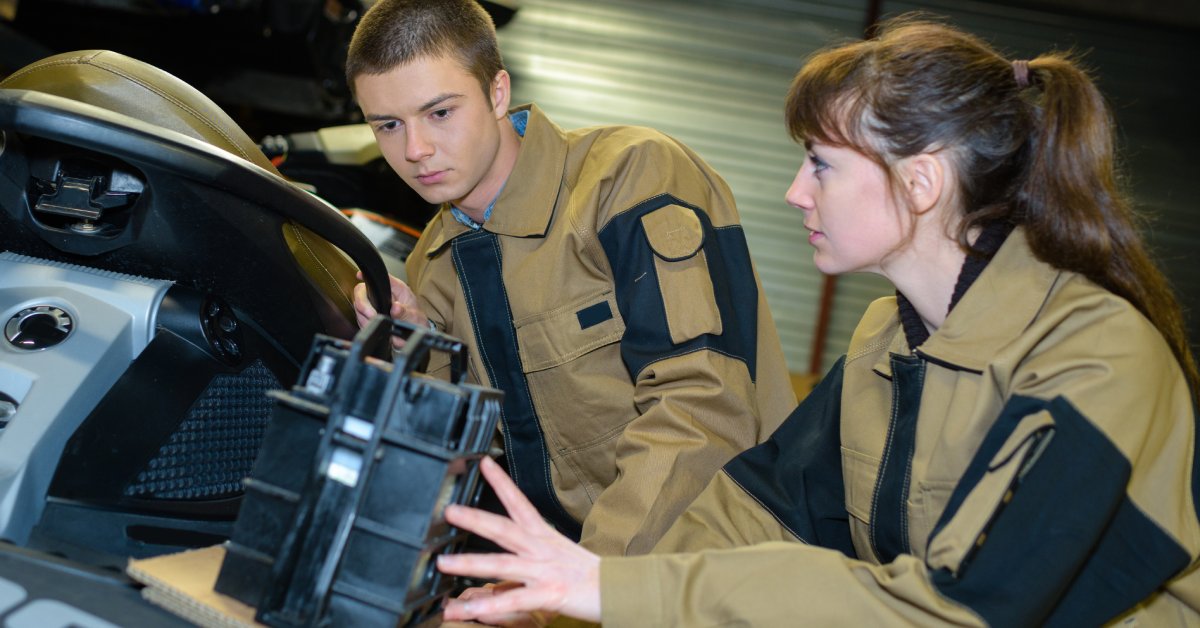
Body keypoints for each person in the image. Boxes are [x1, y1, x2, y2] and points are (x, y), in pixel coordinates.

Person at [434, 16, 1200, 626]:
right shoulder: (884, 340)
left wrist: (613, 594)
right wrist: (577, 593)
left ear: (921, 181)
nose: (797, 192)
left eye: (822, 164)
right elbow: (761, 508)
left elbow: (961, 611)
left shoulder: (1099, 357)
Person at [345, 0, 796, 556]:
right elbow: (485, 452)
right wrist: (419, 346)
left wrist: (577, 586)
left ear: (498, 92)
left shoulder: (630, 178)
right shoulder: (433, 267)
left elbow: (701, 405)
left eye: (440, 113)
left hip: (724, 566)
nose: (415, 150)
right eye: (388, 125)